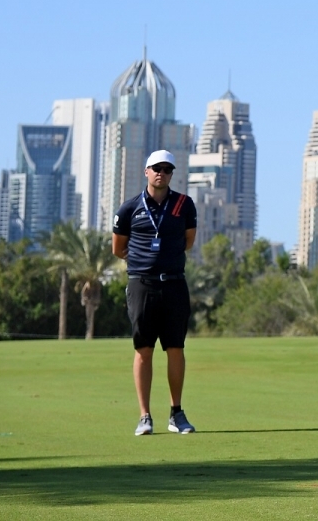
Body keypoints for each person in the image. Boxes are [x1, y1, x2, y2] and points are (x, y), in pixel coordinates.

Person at [111, 149, 198, 436]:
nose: (162, 173)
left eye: (167, 169)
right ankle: (144, 416)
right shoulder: (129, 208)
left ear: (172, 173)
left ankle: (176, 413)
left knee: (176, 348)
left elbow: (187, 242)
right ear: (146, 172)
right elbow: (118, 248)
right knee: (143, 350)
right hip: (141, 285)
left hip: (173, 284)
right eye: (156, 168)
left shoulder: (184, 205)